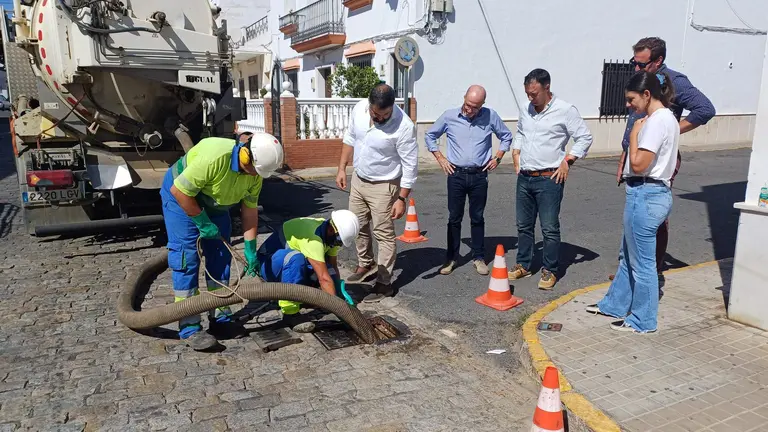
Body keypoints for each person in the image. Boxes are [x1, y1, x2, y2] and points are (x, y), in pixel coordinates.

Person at [160, 132, 284, 351]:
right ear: (245, 155)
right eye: (255, 169)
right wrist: (201, 221)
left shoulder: (256, 174)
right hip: (181, 198)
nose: (255, 175)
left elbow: (249, 211)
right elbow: (179, 191)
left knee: (220, 258)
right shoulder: (214, 157)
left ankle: (221, 317)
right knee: (186, 258)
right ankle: (190, 327)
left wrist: (250, 248)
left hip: (216, 205)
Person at [615, 37, 715, 278]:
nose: (637, 69)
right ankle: (630, 265)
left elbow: (705, 109)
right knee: (635, 210)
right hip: (636, 152)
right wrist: (623, 158)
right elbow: (634, 124)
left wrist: (672, 128)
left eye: (642, 64)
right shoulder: (645, 80)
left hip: (658, 157)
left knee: (653, 213)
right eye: (634, 63)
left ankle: (651, 268)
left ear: (658, 60)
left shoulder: (674, 81)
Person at [588, 71, 679, 333]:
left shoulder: (655, 122)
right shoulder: (664, 118)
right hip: (648, 193)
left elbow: (639, 165)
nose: (629, 105)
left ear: (647, 94)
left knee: (643, 264)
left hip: (646, 193)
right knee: (628, 256)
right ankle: (615, 305)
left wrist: (634, 135)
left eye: (631, 99)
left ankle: (643, 320)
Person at [508, 69, 593, 290]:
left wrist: (569, 159)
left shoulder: (565, 110)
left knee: (549, 228)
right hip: (525, 177)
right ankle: (524, 264)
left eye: (534, 93)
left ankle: (550, 269)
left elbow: (584, 137)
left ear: (547, 88)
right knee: (524, 226)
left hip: (549, 178)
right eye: (527, 93)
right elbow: (521, 132)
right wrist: (516, 151)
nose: (530, 98)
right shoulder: (527, 109)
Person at [336, 83, 418, 302]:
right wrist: (342, 168)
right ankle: (366, 264)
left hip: (385, 185)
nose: (379, 118)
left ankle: (384, 283)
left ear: (392, 107)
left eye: (385, 114)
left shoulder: (404, 127)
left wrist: (401, 198)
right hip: (359, 180)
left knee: (383, 233)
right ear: (369, 105)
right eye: (375, 113)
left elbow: (410, 165)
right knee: (358, 225)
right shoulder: (359, 109)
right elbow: (350, 138)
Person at [424, 85, 513, 276]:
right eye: (467, 104)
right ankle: (451, 258)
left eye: (474, 107)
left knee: (477, 217)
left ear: (482, 105)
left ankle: (479, 257)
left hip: (479, 175)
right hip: (456, 174)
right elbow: (430, 135)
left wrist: (497, 157)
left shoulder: (490, 116)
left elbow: (506, 136)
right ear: (464, 97)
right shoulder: (449, 116)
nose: (469, 109)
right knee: (454, 218)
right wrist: (441, 159)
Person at [258, 210, 361, 325]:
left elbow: (332, 268)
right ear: (332, 230)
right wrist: (339, 310)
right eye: (339, 241)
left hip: (287, 266)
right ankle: (290, 313)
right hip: (268, 267)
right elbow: (324, 278)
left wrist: (340, 295)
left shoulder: (330, 234)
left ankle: (304, 298)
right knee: (296, 259)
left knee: (326, 267)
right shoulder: (314, 239)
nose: (338, 244)